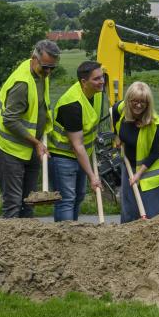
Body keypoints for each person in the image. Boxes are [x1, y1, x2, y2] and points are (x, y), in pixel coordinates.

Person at [0, 40, 59, 218]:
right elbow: (10, 120)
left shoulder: (40, 74)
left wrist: (42, 139)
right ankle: (11, 244)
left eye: (52, 68)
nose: (48, 72)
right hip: (10, 149)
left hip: (30, 146)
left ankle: (27, 242)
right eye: (45, 67)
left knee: (29, 200)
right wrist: (36, 142)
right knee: (13, 202)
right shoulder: (22, 83)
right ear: (34, 59)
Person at [48, 61, 106, 222]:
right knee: (66, 200)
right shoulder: (72, 104)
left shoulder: (97, 93)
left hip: (81, 156)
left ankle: (74, 237)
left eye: (102, 77)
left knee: (78, 197)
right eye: (96, 79)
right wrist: (93, 176)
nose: (102, 81)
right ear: (83, 82)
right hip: (63, 156)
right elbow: (76, 144)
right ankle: (64, 239)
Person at [113, 82, 159, 223]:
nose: (139, 105)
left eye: (143, 102)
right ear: (128, 101)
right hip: (129, 166)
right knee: (129, 210)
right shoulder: (121, 109)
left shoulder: (153, 123)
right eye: (135, 101)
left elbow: (155, 152)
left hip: (152, 171)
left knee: (153, 214)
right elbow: (113, 112)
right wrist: (117, 136)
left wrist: (139, 174)